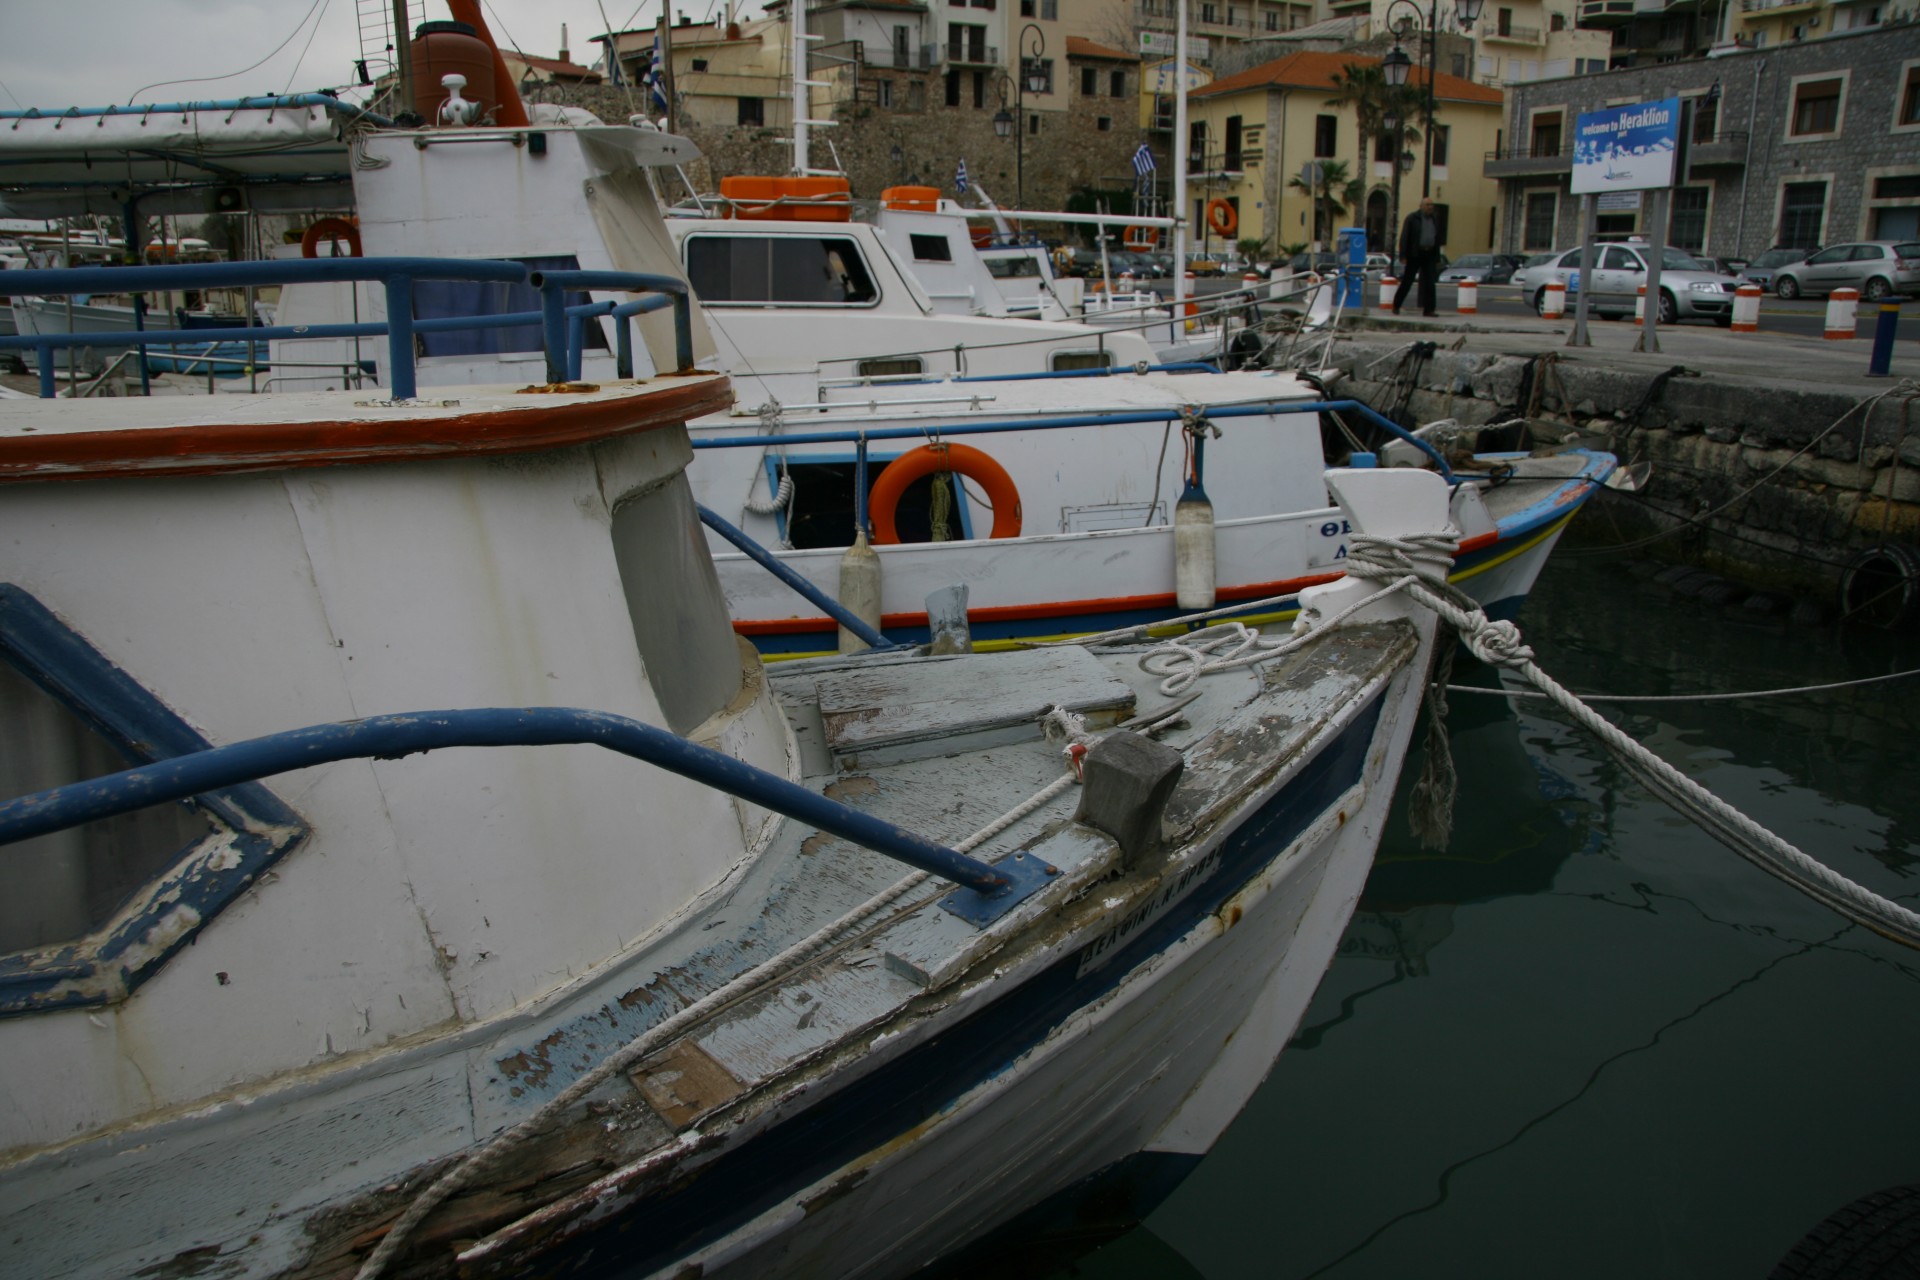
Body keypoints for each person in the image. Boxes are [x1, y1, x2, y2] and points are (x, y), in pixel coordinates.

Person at [1393, 197, 1443, 317]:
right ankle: (1396, 305)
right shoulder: (1412, 218)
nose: (1430, 207)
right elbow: (1405, 237)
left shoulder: (1434, 219)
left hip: (1429, 253)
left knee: (1430, 283)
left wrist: (1437, 257)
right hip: (1415, 254)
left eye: (1431, 205)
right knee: (1407, 281)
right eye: (1427, 205)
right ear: (1421, 206)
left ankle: (1429, 309)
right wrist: (1403, 255)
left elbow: (1437, 239)